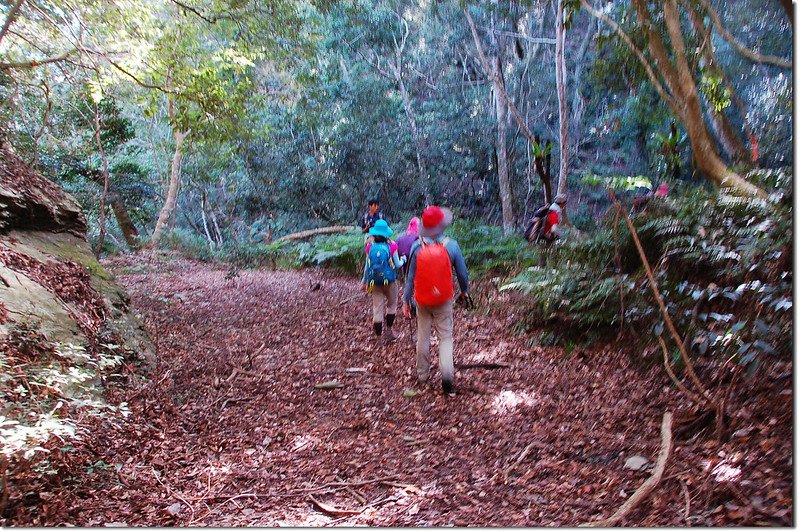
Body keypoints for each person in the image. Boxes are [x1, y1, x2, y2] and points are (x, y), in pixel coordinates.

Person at [402, 206, 469, 395]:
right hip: (444, 300)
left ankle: (422, 376)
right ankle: (447, 378)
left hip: (422, 301)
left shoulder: (417, 247)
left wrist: (406, 300)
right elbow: (462, 274)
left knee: (423, 337)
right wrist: (464, 291)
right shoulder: (452, 246)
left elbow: (410, 278)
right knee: (445, 338)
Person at [362, 219, 405, 345]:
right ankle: (389, 331)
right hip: (390, 281)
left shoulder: (369, 247)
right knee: (391, 306)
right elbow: (397, 264)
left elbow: (367, 266)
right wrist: (403, 259)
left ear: (374, 234)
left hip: (374, 282)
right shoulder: (392, 246)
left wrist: (364, 282)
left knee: (377, 309)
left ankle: (379, 339)